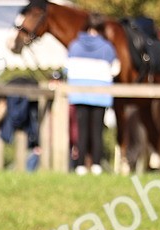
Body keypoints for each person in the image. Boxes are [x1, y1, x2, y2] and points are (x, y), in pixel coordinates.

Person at [65, 13, 118, 175]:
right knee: (97, 131)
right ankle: (96, 164)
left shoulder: (74, 46)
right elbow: (115, 69)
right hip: (100, 95)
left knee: (81, 131)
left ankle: (80, 165)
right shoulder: (107, 47)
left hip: (78, 93)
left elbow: (66, 68)